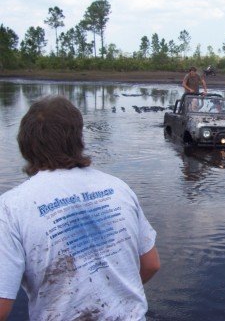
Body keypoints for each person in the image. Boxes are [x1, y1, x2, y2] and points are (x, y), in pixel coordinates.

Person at [0, 96, 160, 321]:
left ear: (25, 143)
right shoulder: (119, 188)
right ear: (78, 138)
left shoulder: (11, 208)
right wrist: (113, 292)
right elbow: (151, 264)